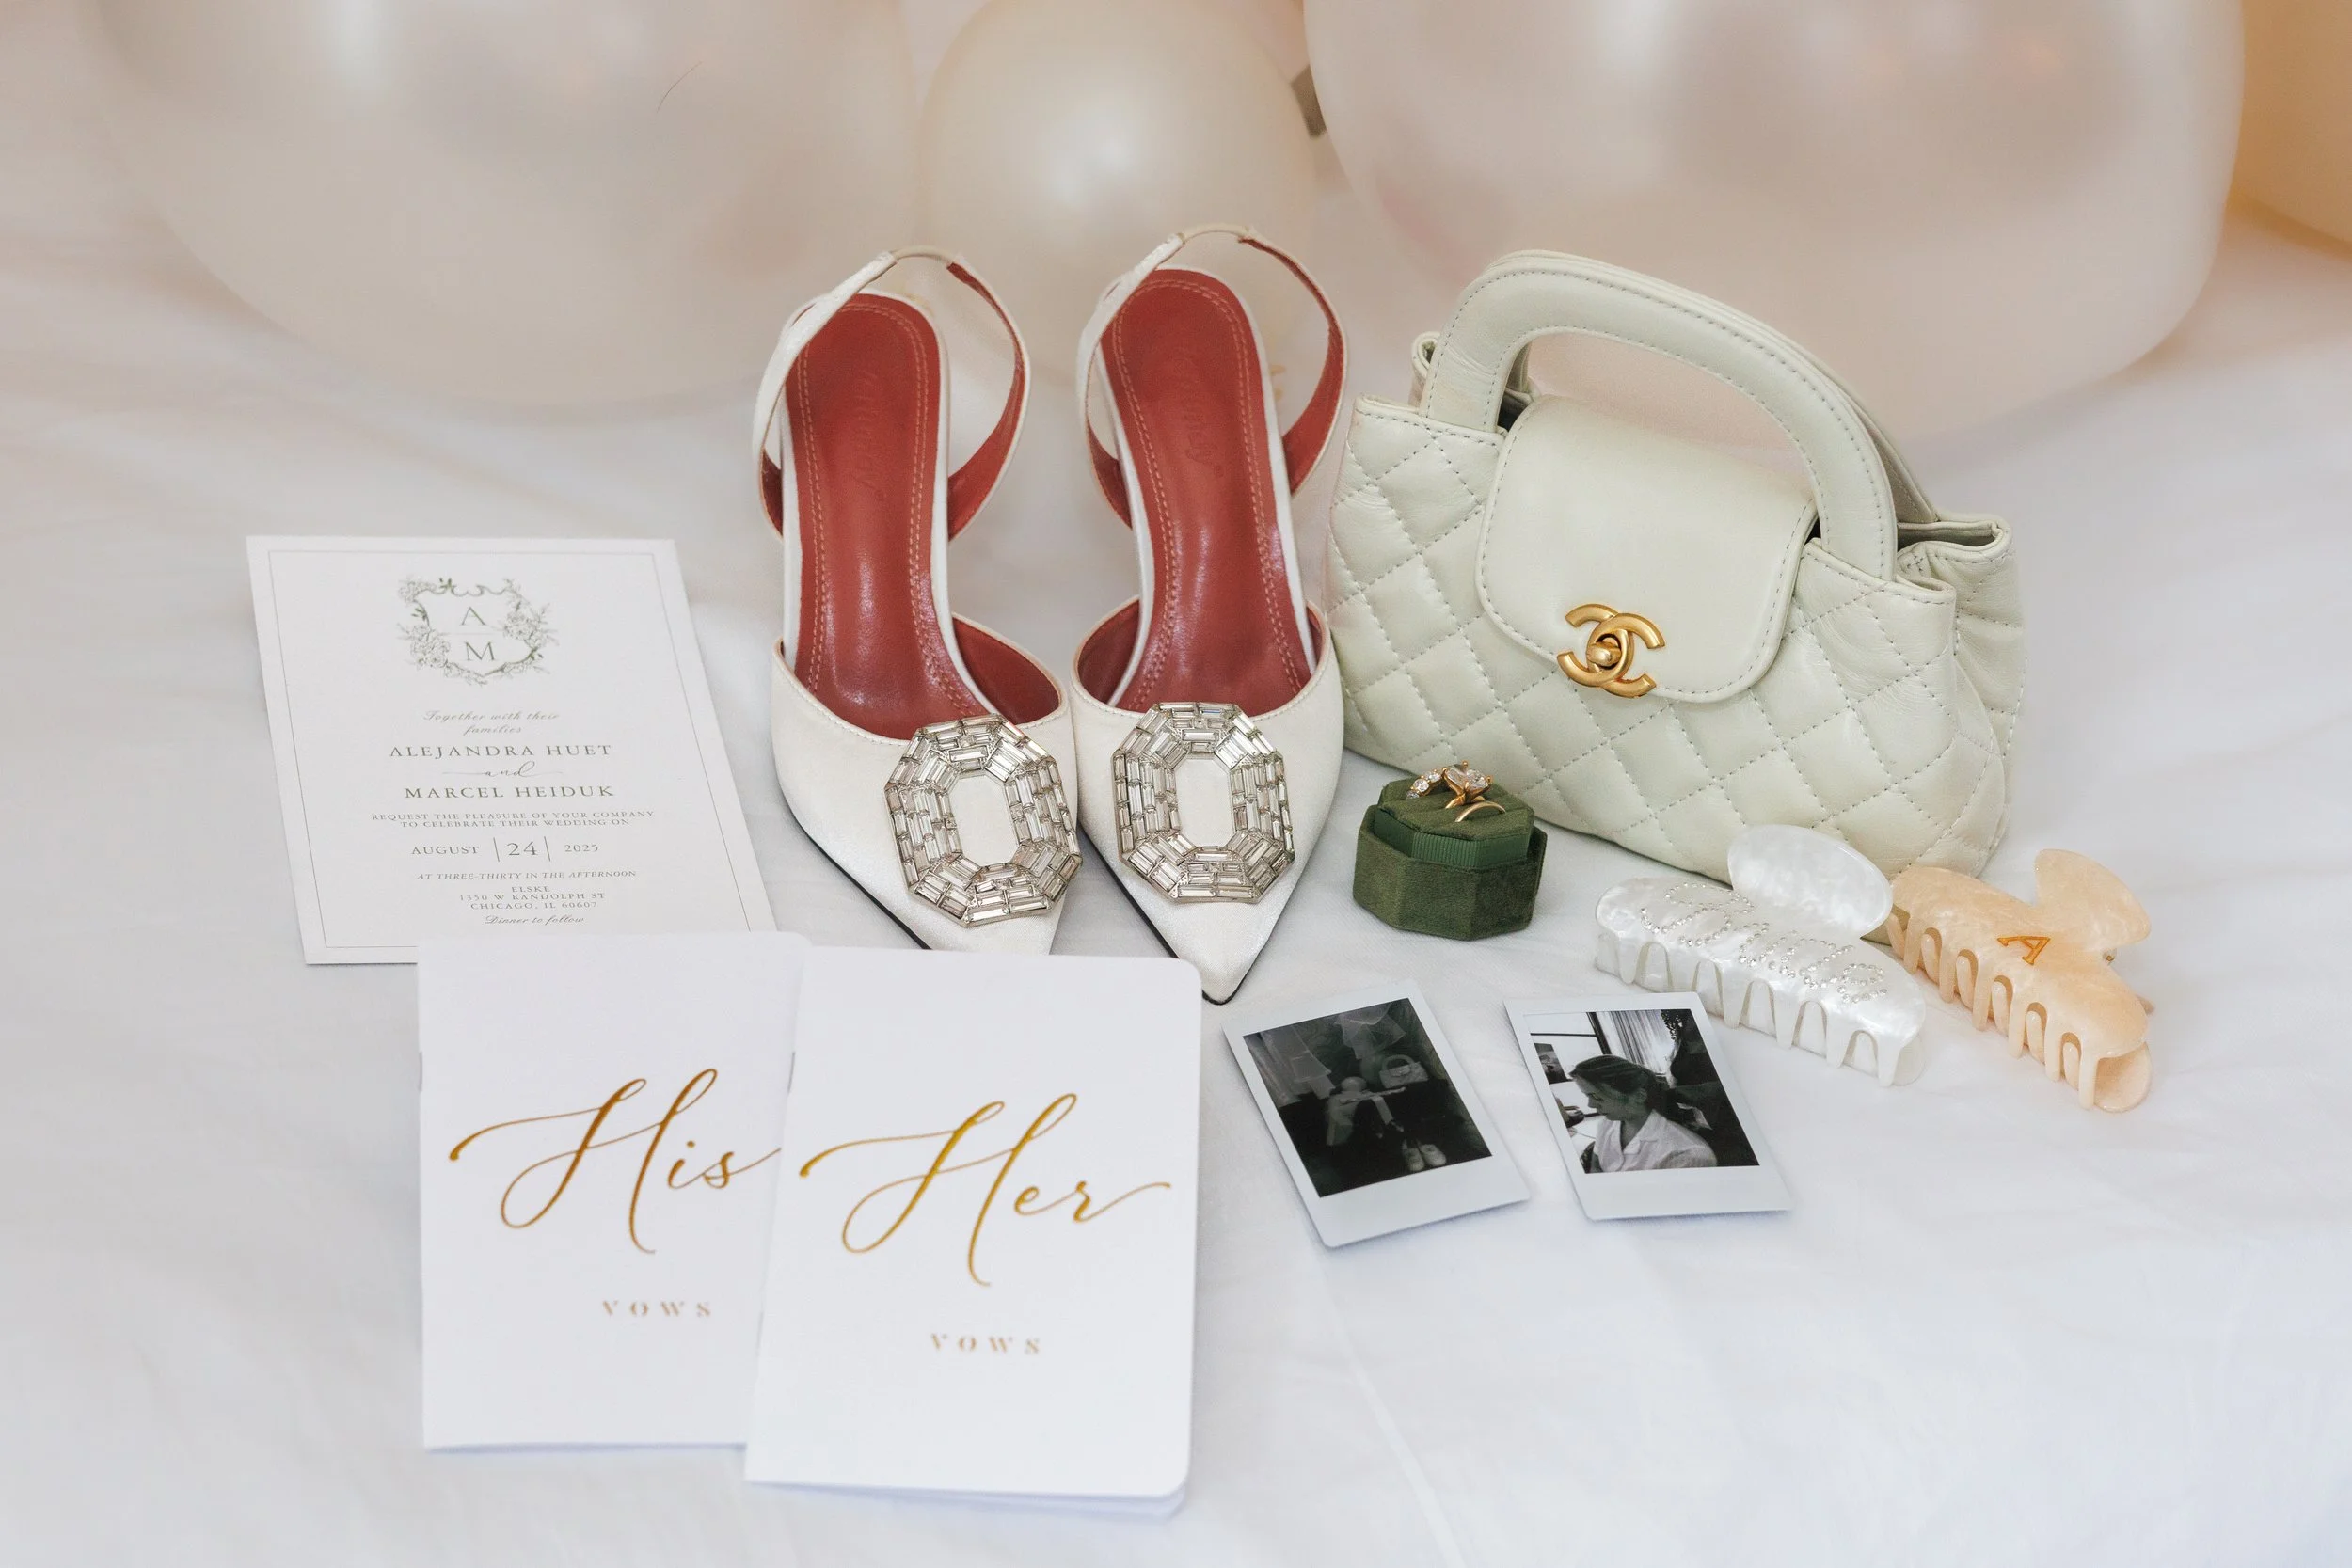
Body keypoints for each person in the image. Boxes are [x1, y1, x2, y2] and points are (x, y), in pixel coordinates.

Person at [1565, 1055, 1717, 1172]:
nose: (1590, 1105)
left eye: (1597, 1097)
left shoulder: (1687, 1155)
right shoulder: (1607, 1124)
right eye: (1588, 1096)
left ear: (1638, 1096)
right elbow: (1596, 1169)